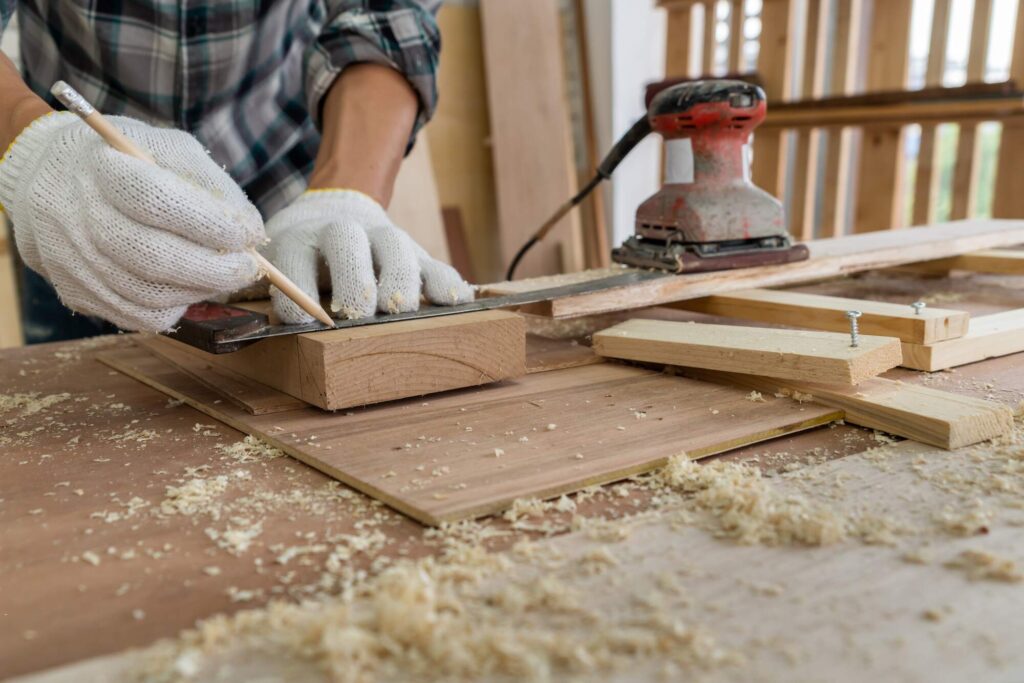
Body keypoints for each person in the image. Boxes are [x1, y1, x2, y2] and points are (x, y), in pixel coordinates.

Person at [0, 0, 472, 343]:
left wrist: (347, 192)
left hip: (284, 181)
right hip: (77, 200)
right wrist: (31, 145)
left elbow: (387, 14)